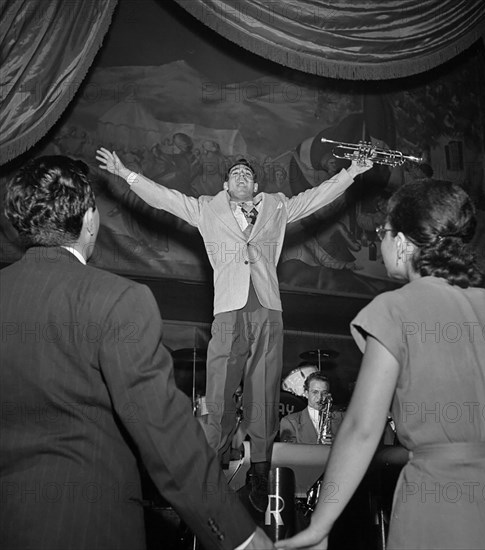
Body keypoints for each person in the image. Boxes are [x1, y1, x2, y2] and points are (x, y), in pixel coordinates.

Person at [0, 156, 273, 550]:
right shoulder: (118, 301)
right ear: (90, 219)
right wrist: (242, 537)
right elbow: (165, 438)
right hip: (90, 528)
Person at [96, 147, 373, 512]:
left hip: (268, 308)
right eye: (235, 174)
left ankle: (260, 468)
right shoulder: (207, 208)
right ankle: (210, 467)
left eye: (248, 173)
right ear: (226, 184)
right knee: (220, 389)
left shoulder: (276, 206)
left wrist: (351, 172)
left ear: (255, 184)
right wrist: (126, 173)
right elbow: (164, 199)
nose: (242, 177)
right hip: (228, 309)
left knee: (264, 387)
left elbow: (315, 197)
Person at [276, 179, 485, 550]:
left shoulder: (395, 310)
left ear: (404, 242)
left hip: (436, 504)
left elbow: (362, 428)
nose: (380, 241)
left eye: (384, 231)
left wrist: (319, 524)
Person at [280, 372, 344, 445]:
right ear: (306, 393)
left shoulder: (342, 418)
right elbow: (289, 454)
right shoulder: (290, 422)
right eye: (315, 392)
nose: (320, 397)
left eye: (324, 393)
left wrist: (337, 443)